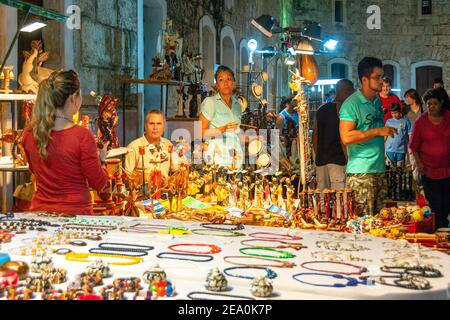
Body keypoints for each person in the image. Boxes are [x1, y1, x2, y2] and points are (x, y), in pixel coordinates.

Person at [22, 70, 109, 215]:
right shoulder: (82, 136)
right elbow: (99, 183)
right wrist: (102, 160)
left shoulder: (29, 134)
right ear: (74, 98)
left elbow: (34, 172)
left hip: (40, 215)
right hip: (76, 217)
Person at [339, 57, 397, 216]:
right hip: (361, 173)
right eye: (377, 77)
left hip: (379, 169)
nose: (381, 81)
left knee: (380, 222)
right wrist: (378, 131)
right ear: (365, 79)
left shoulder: (377, 102)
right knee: (363, 225)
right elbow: (346, 137)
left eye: (382, 77)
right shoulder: (352, 104)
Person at [410, 88, 450, 229]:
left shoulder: (448, 118)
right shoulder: (421, 121)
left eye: (435, 103)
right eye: (429, 104)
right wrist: (419, 164)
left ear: (441, 104)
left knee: (446, 204)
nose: (431, 107)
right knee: (435, 204)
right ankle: (436, 229)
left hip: (447, 171)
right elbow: (413, 146)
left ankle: (444, 227)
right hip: (429, 170)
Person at [313, 79, 354, 191]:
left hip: (321, 160)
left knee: (322, 195)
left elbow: (315, 136)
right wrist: (348, 158)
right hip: (337, 159)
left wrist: (318, 155)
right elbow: (343, 138)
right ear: (347, 92)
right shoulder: (343, 109)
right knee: (340, 196)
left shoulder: (321, 108)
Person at [199, 65, 243, 168]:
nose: (226, 83)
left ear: (233, 83)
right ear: (217, 85)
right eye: (221, 80)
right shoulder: (210, 102)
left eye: (229, 79)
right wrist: (223, 129)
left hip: (235, 155)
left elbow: (236, 133)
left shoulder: (238, 106)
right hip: (217, 155)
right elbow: (201, 132)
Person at [125, 110, 174, 180]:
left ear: (164, 126)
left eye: (159, 124)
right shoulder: (133, 147)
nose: (155, 128)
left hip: (165, 189)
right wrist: (144, 177)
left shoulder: (168, 145)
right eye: (151, 123)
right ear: (145, 126)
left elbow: (176, 171)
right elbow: (126, 177)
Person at [404, 89, 424, 189]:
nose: (406, 99)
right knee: (413, 163)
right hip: (412, 139)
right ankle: (416, 184)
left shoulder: (423, 109)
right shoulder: (408, 113)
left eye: (408, 97)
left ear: (413, 97)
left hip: (423, 139)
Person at [276, 94, 299, 169]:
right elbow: (278, 134)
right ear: (289, 102)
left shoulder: (297, 113)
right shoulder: (281, 116)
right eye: (295, 100)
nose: (297, 102)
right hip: (287, 145)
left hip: (297, 143)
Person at [385, 103, 411, 167]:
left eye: (396, 113)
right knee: (389, 169)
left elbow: (410, 135)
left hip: (401, 149)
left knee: (400, 169)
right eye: (392, 113)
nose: (394, 115)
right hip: (389, 149)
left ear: (400, 111)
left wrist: (410, 147)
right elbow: (385, 135)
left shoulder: (405, 121)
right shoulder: (389, 121)